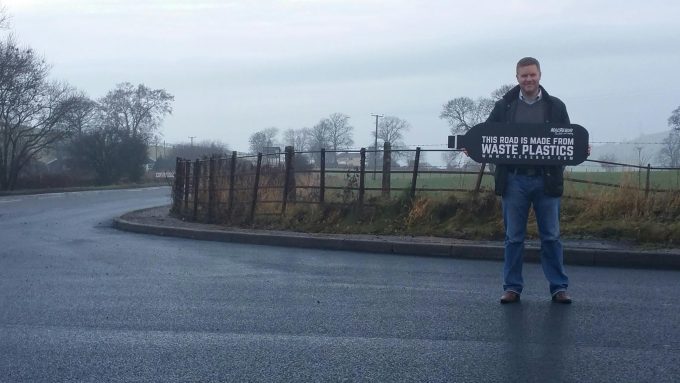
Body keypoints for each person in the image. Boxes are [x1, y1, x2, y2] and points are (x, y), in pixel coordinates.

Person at [486, 57, 572, 304]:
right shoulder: (504, 107)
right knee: (513, 237)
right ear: (517, 78)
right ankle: (512, 287)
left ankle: (559, 287)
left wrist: (578, 151)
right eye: (524, 76)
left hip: (546, 181)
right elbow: (488, 137)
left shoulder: (556, 106)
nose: (528, 79)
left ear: (540, 75)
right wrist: (474, 148)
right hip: (514, 181)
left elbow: (568, 141)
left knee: (552, 237)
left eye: (532, 75)